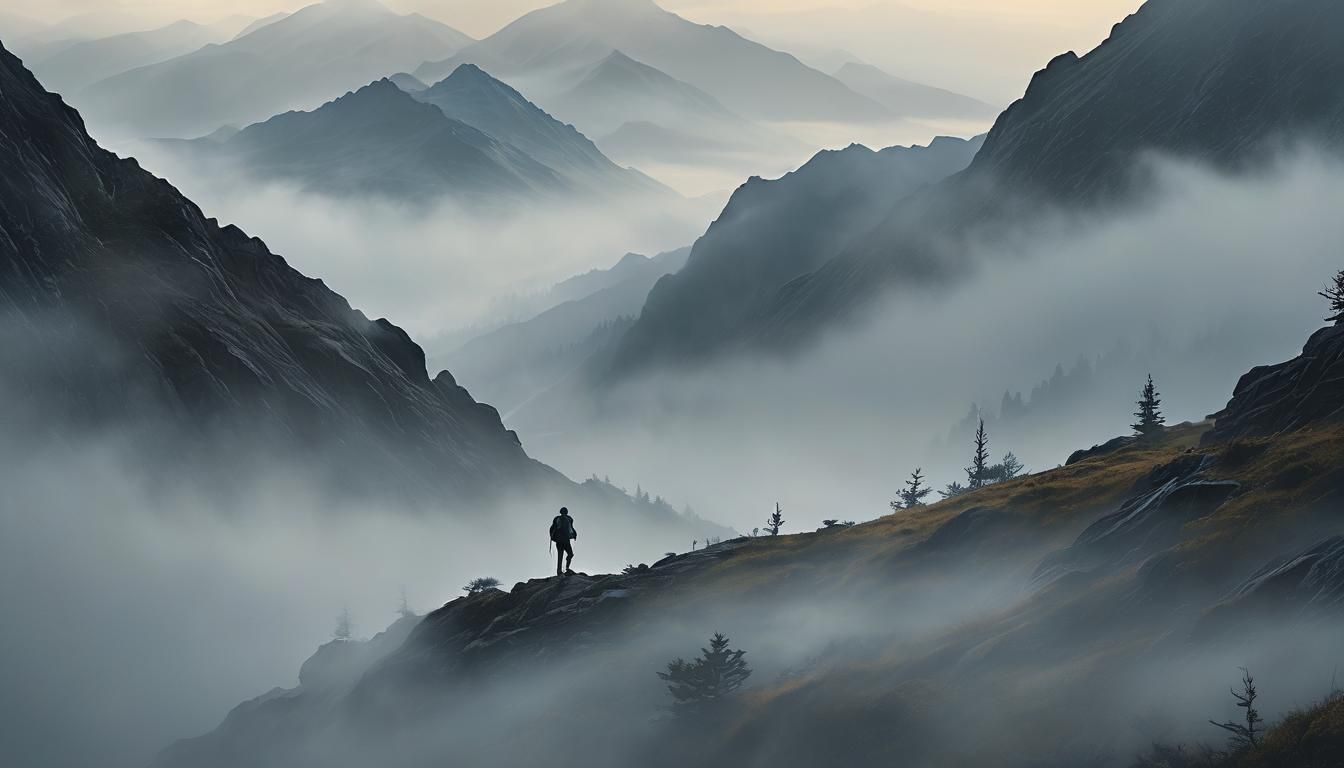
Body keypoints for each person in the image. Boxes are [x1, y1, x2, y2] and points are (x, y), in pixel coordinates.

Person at [549, 507, 577, 576]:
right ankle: (559, 571)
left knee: (570, 554)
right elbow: (552, 528)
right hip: (560, 539)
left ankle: (566, 568)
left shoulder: (569, 519)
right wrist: (552, 536)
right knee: (560, 555)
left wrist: (574, 534)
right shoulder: (557, 518)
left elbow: (571, 527)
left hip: (565, 539)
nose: (564, 512)